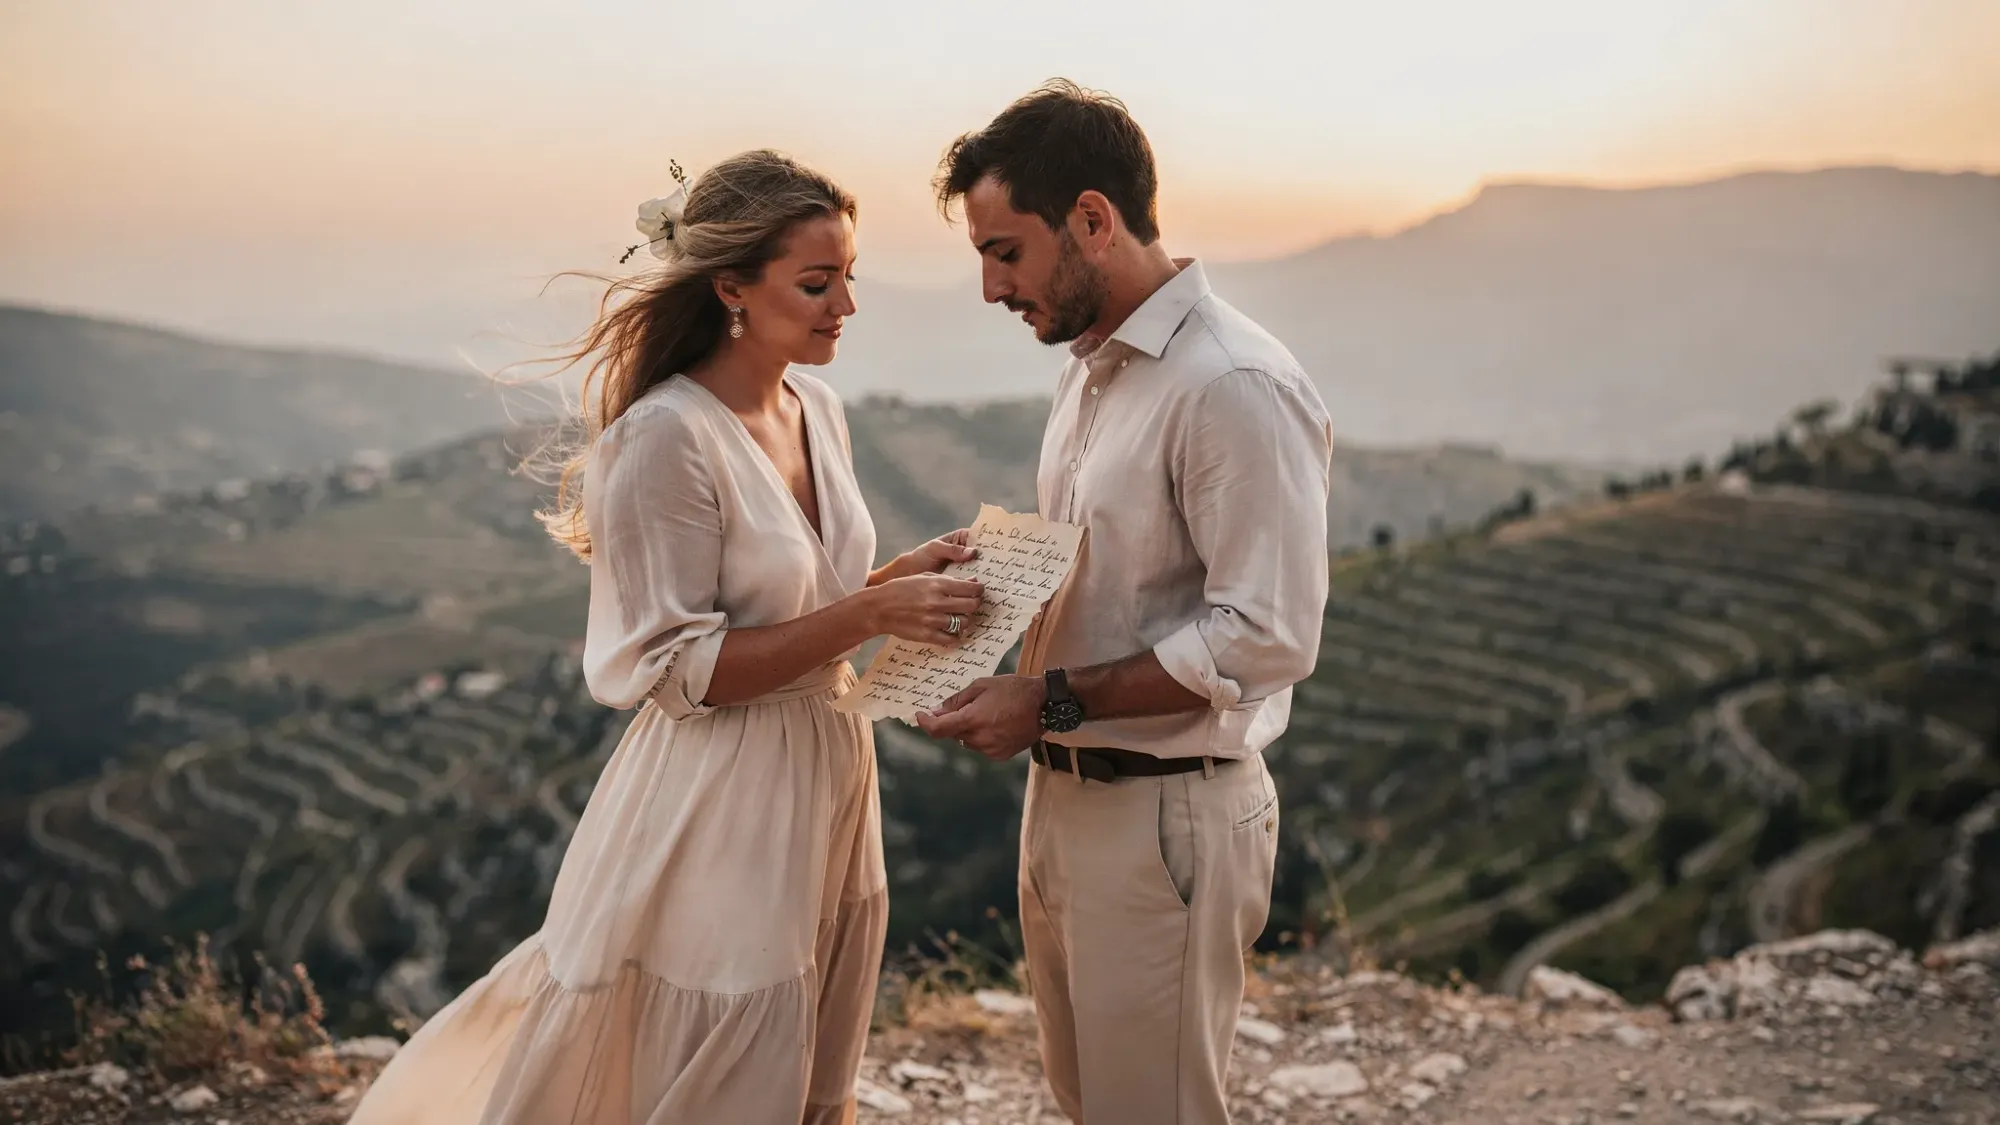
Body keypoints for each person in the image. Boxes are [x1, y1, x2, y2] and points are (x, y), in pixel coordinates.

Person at [349, 150, 984, 1125]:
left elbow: (793, 597)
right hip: (718, 792)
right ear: (729, 285)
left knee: (817, 1022)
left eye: (849, 276)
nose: (845, 306)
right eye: (817, 284)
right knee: (729, 1042)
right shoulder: (662, 440)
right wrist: (864, 616)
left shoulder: (816, 407)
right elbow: (682, 672)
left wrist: (893, 584)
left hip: (828, 759)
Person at [919, 82, 1334, 1124]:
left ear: (1092, 221)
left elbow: (1265, 636)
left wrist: (1045, 701)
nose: (986, 286)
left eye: (1004, 250)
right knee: (1084, 1103)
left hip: (1166, 812)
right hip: (1063, 803)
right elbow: (1124, 568)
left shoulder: (1230, 384)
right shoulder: (1091, 370)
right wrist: (992, 580)